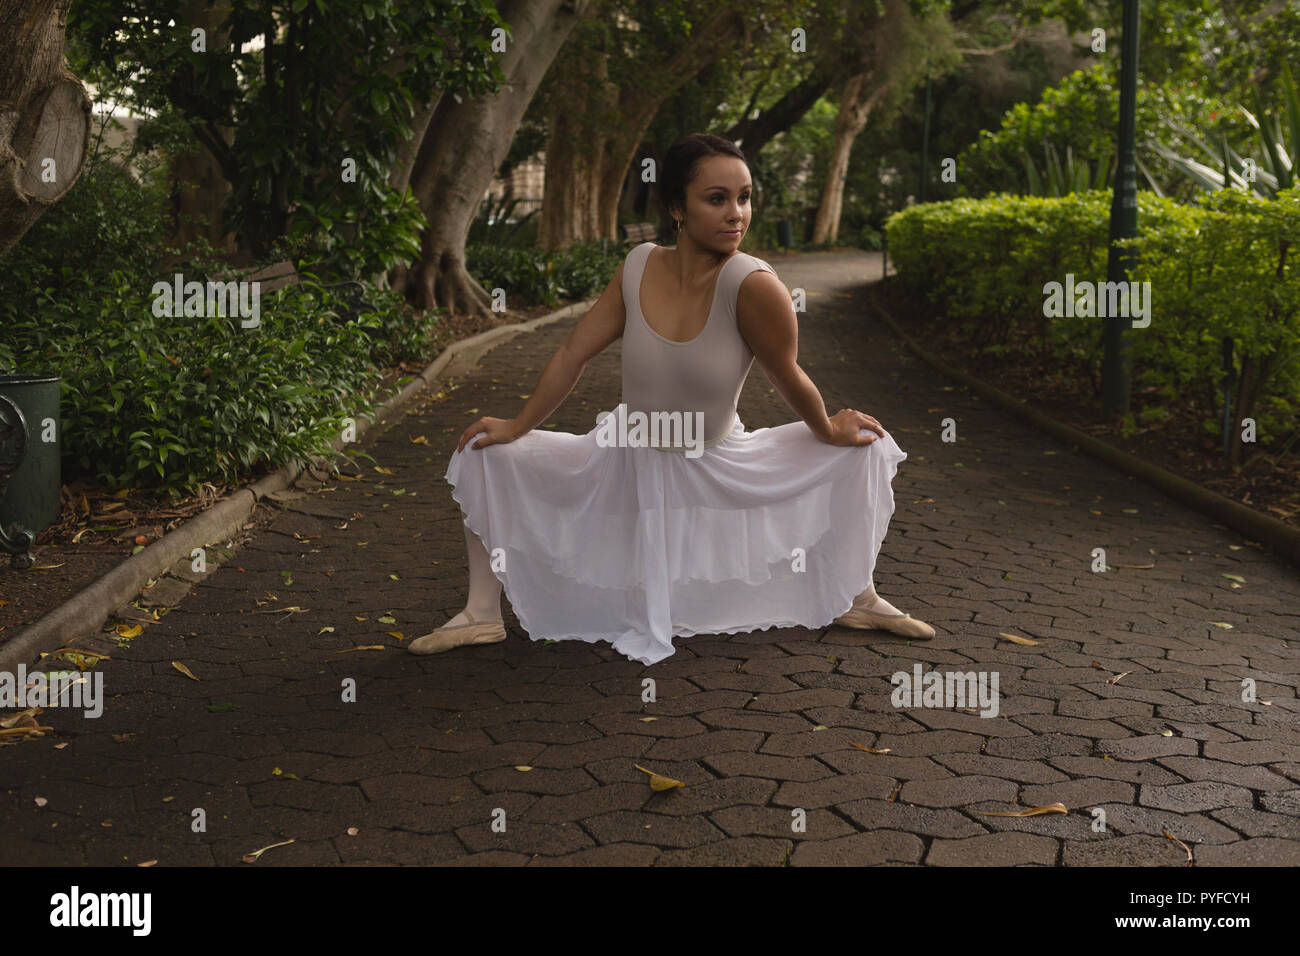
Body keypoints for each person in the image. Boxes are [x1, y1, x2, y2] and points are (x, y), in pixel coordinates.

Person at [410, 133, 935, 664]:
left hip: (716, 459)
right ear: (675, 208)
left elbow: (786, 373)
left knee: (866, 444)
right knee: (484, 450)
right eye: (717, 198)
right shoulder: (638, 265)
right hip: (628, 453)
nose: (737, 214)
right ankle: (481, 614)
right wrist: (516, 426)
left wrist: (825, 428)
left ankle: (856, 595)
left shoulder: (753, 283)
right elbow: (573, 352)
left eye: (745, 197)